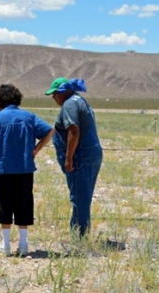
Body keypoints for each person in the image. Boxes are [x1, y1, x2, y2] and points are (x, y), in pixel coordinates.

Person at [0, 84, 54, 256]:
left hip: (2, 170)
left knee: (5, 206)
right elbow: (49, 131)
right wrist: (36, 150)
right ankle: (23, 244)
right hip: (24, 169)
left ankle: (5, 245)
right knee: (24, 204)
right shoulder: (28, 116)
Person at [45, 78, 103, 238]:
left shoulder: (69, 104)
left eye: (55, 93)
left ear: (63, 92)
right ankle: (82, 232)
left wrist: (69, 158)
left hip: (80, 156)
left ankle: (79, 237)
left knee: (79, 197)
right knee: (84, 196)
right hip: (91, 153)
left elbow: (73, 130)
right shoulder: (79, 100)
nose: (53, 97)